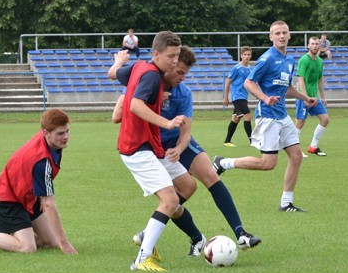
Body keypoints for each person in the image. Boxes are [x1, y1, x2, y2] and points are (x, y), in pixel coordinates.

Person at [111, 47, 262, 256]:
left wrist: (180, 149)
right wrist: (150, 102)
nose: (182, 78)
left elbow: (185, 132)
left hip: (173, 143)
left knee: (207, 174)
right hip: (148, 147)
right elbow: (117, 115)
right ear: (167, 66)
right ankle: (191, 236)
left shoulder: (183, 93)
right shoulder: (148, 80)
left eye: (185, 73)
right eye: (179, 72)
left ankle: (241, 234)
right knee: (178, 195)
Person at [212, 20, 316, 213]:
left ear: (289, 35)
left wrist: (306, 97)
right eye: (277, 33)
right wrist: (265, 98)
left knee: (296, 156)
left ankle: (286, 203)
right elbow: (249, 83)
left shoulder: (290, 60)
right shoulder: (267, 59)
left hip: (282, 115)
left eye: (284, 32)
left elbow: (288, 88)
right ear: (271, 37)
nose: (282, 36)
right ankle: (223, 162)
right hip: (268, 116)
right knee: (268, 164)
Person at [0, 109, 78, 255]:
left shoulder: (50, 142)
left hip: (26, 196)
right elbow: (48, 203)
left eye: (67, 131)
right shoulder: (42, 162)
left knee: (50, 242)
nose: (66, 137)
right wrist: (65, 244)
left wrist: (59, 241)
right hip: (8, 198)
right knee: (27, 247)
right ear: (45, 132)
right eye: (60, 133)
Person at [115, 31, 185, 272]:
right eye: (170, 56)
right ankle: (142, 258)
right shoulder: (152, 76)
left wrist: (117, 63)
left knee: (185, 187)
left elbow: (114, 74)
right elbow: (135, 105)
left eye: (177, 56)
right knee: (170, 200)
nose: (175, 61)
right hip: (137, 148)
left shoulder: (138, 67)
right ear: (156, 54)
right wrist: (166, 123)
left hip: (145, 147)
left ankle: (192, 240)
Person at [296, 37, 329, 157]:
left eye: (316, 44)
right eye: (312, 44)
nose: (314, 46)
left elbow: (320, 80)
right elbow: (301, 79)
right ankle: (296, 150)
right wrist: (305, 97)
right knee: (300, 122)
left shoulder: (320, 61)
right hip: (303, 96)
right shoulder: (303, 60)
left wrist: (323, 97)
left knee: (325, 119)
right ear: (308, 46)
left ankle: (313, 147)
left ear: (319, 46)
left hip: (315, 97)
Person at [222, 46, 253, 147]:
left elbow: (252, 83)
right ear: (241, 56)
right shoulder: (237, 68)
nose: (246, 56)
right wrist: (226, 97)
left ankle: (227, 141)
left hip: (244, 96)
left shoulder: (251, 69)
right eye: (245, 54)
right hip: (237, 96)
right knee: (247, 115)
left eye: (248, 54)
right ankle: (252, 141)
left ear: (251, 56)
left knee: (236, 118)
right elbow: (228, 81)